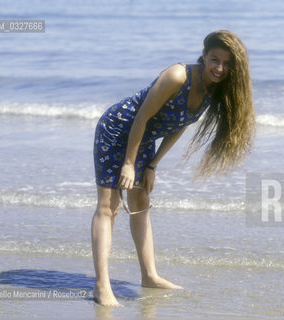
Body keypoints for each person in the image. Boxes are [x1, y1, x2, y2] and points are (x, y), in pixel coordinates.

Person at [91, 30, 255, 306]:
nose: (220, 68)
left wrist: (152, 164)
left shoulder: (213, 89)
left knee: (141, 203)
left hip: (143, 138)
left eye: (227, 64)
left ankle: (149, 275)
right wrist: (129, 164)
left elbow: (180, 125)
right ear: (203, 56)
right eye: (215, 60)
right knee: (110, 206)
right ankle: (101, 286)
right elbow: (141, 116)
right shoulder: (178, 76)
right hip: (119, 129)